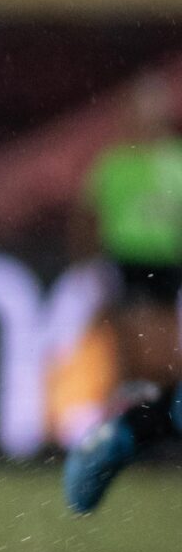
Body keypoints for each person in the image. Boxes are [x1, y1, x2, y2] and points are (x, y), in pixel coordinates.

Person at [62, 74, 182, 513]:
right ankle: (123, 433)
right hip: (131, 262)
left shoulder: (173, 161)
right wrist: (88, 266)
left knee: (163, 364)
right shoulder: (115, 164)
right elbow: (87, 216)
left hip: (167, 265)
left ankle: (127, 433)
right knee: (138, 360)